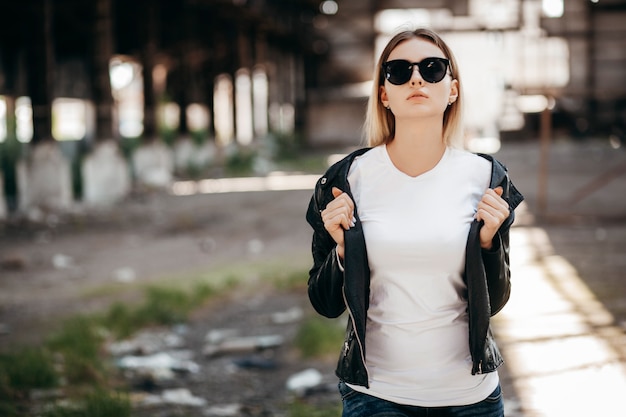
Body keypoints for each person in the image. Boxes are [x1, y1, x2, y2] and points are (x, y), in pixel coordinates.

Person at [305, 28, 524, 417]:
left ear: (452, 89)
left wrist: (489, 243)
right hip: (376, 397)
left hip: (471, 400)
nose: (417, 79)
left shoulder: (486, 179)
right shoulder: (345, 182)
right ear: (384, 94)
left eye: (432, 68)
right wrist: (340, 252)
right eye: (399, 71)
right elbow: (324, 304)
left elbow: (496, 300)